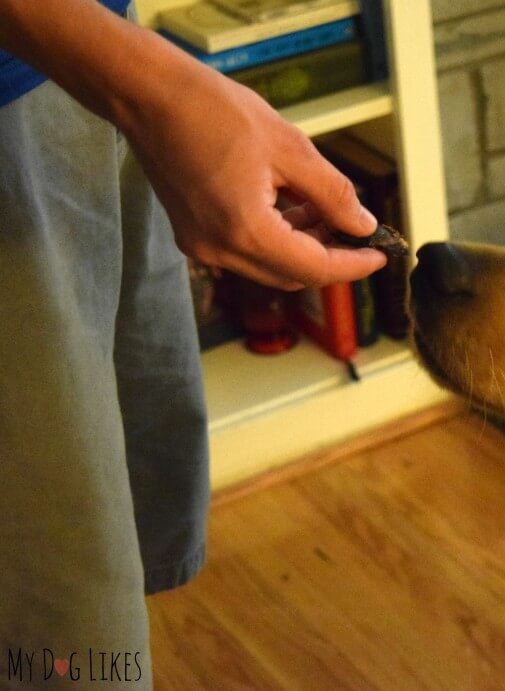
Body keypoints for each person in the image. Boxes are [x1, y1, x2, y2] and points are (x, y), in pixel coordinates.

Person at [0, 0, 386, 686]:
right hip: (38, 96)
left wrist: (132, 78)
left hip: (86, 64)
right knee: (63, 641)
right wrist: (152, 89)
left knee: (97, 562)